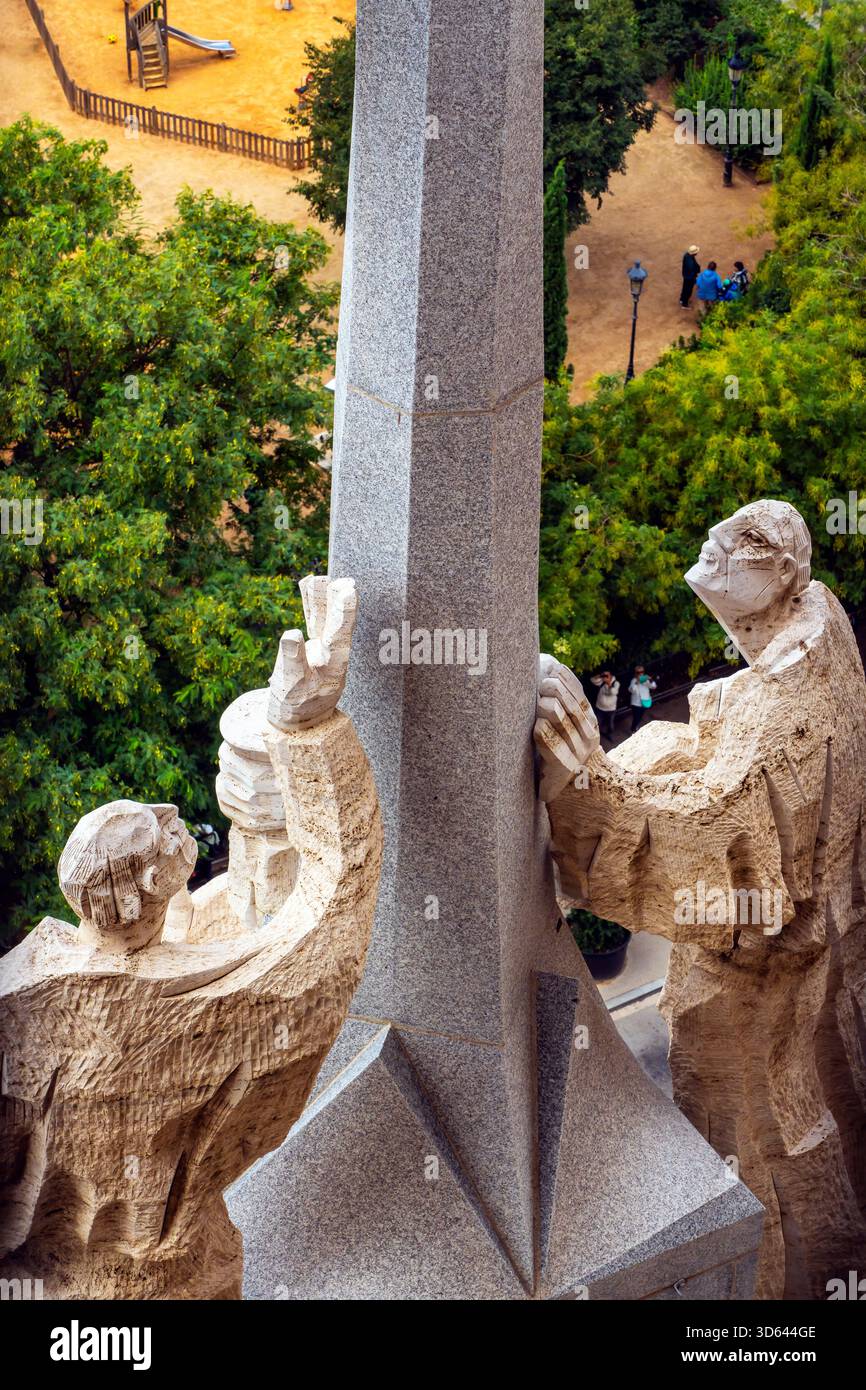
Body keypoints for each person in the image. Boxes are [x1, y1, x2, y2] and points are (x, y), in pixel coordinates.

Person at [534, 500, 866, 1300]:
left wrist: (590, 780)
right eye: (723, 531)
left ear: (786, 576)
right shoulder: (825, 625)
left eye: (746, 545)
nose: (716, 545)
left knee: (753, 1152)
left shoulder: (778, 705)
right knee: (810, 1117)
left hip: (751, 992)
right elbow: (739, 761)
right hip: (817, 964)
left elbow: (720, 843)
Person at [590, 670, 620, 742]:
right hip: (600, 708)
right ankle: (595, 737)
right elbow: (592, 680)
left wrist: (609, 683)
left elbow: (614, 692)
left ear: (611, 676)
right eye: (604, 675)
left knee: (610, 725)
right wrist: (600, 676)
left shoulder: (616, 683)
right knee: (597, 723)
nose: (605, 677)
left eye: (607, 676)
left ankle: (608, 734)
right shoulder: (602, 682)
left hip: (611, 709)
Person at [627, 666, 656, 732]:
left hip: (645, 701)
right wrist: (637, 682)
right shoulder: (633, 680)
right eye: (638, 672)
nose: (640, 674)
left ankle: (635, 727)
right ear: (635, 673)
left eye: (642, 672)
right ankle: (633, 729)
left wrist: (650, 680)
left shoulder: (646, 679)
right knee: (636, 717)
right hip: (636, 703)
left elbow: (653, 686)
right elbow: (631, 690)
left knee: (640, 717)